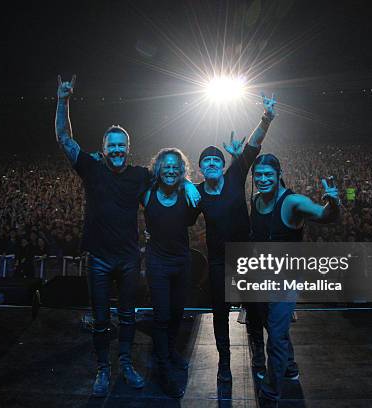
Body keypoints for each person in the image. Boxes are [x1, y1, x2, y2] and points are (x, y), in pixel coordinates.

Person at [54, 74, 200, 397]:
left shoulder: (139, 176)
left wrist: (188, 181)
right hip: (100, 259)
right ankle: (103, 370)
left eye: (122, 146)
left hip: (130, 258)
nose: (117, 150)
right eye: (112, 146)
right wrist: (63, 100)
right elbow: (65, 139)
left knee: (129, 315)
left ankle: (126, 363)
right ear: (103, 150)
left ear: (128, 149)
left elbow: (168, 173)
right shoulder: (90, 168)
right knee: (102, 317)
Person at [191, 92, 277, 397]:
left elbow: (253, 147)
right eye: (207, 160)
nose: (213, 162)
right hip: (217, 261)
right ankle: (224, 363)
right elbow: (182, 216)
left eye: (216, 159)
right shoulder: (197, 191)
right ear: (201, 168)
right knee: (219, 313)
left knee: (256, 311)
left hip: (246, 257)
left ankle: (259, 358)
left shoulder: (234, 176)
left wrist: (265, 118)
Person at [249, 153, 339, 407]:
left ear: (279, 175)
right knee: (272, 326)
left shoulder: (293, 202)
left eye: (268, 174)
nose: (263, 179)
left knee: (275, 337)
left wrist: (333, 204)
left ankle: (270, 394)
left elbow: (324, 216)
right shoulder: (255, 201)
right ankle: (289, 366)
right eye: (259, 175)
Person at [143, 148, 198, 398]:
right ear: (157, 168)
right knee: (162, 315)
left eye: (176, 166)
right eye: (166, 165)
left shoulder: (186, 193)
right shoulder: (146, 192)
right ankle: (163, 368)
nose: (171, 170)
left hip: (181, 262)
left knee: (177, 313)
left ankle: (169, 351)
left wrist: (188, 183)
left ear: (182, 169)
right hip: (157, 262)